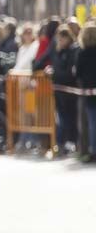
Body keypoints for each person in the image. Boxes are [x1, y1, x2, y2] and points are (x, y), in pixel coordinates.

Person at [35, 26, 80, 156]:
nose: (59, 42)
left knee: (70, 117)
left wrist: (54, 73)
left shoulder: (73, 50)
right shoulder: (55, 49)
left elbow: (69, 74)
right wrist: (40, 69)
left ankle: (69, 143)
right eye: (58, 39)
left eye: (62, 39)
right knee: (62, 117)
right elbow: (41, 61)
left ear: (68, 38)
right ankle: (62, 144)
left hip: (70, 90)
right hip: (58, 89)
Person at [76, 24, 96, 162]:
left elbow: (77, 73)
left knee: (92, 123)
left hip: (89, 93)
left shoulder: (82, 54)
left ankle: (93, 150)